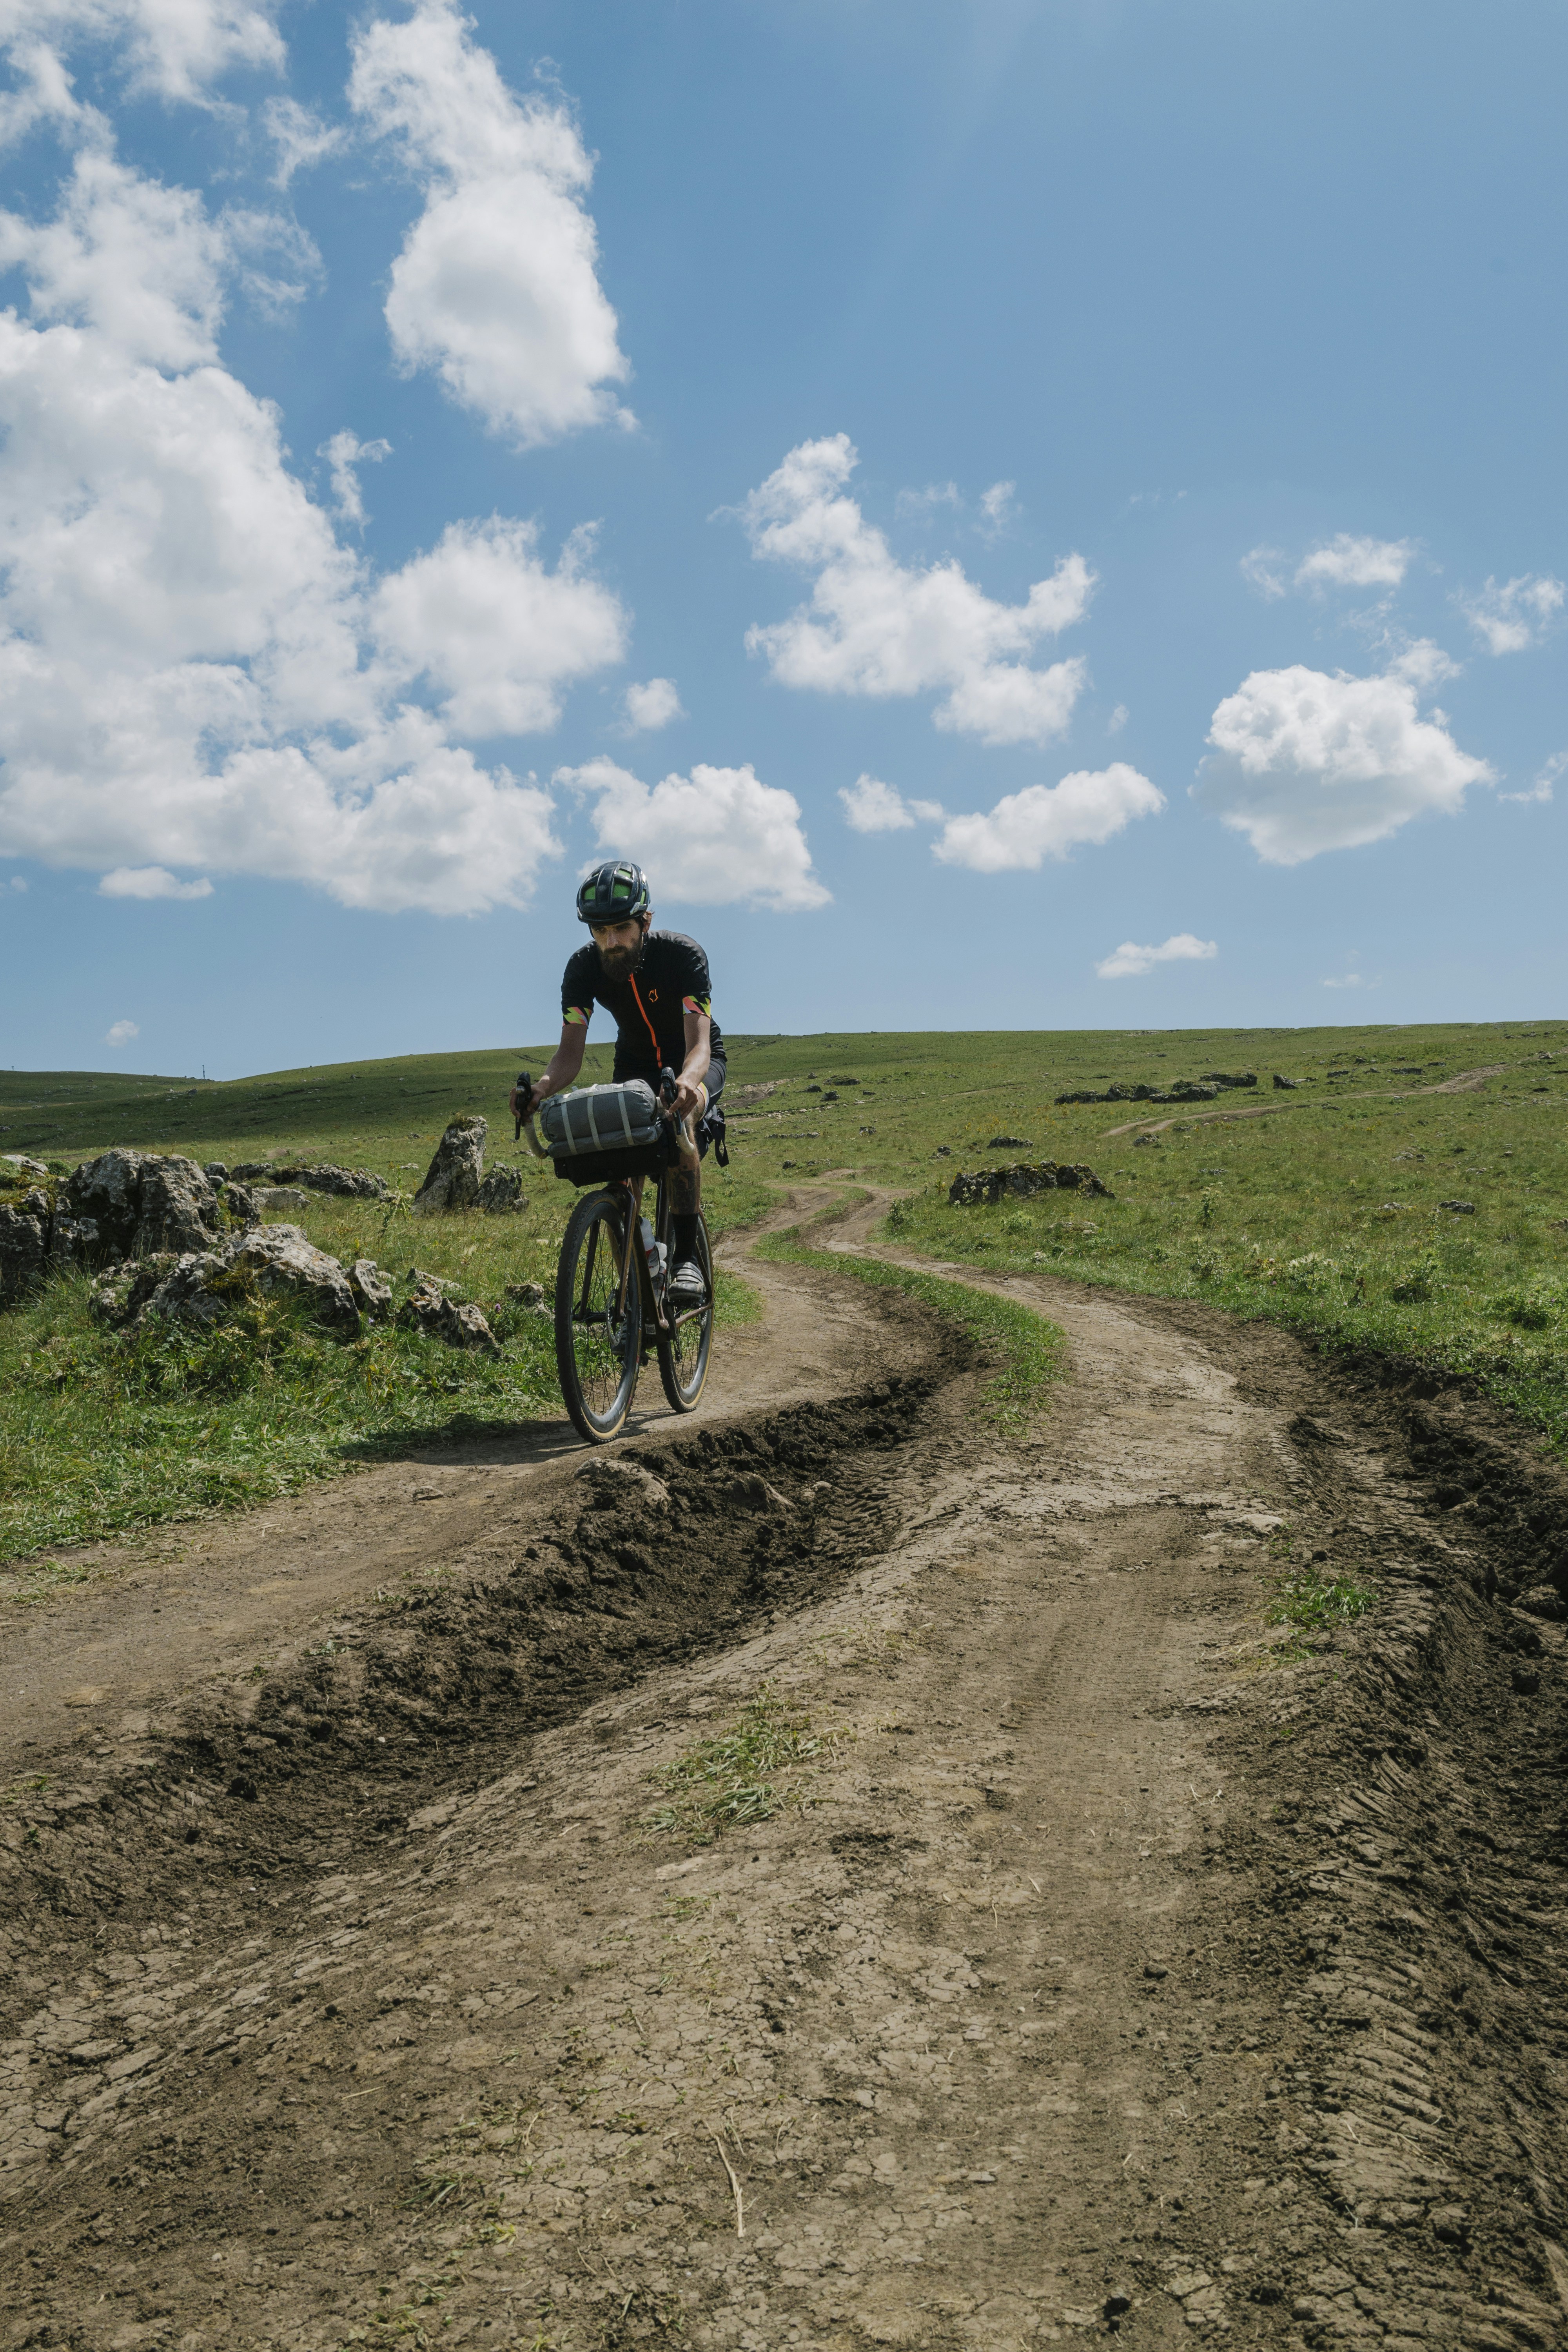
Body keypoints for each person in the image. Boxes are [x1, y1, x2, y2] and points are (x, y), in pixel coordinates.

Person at [510, 860, 725, 1301]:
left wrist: (686, 1082)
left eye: (621, 928)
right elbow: (569, 1054)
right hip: (633, 1067)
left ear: (645, 921)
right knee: (617, 1167)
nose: (611, 942)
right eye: (599, 931)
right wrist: (541, 1089)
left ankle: (686, 1260)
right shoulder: (582, 970)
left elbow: (700, 1045)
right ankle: (631, 1287)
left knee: (680, 1119)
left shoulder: (683, 955)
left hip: (695, 1062)